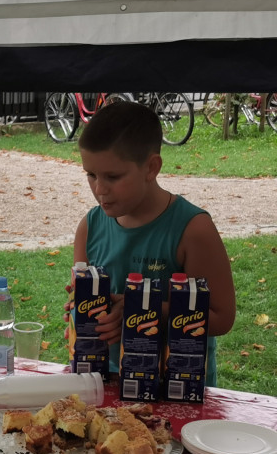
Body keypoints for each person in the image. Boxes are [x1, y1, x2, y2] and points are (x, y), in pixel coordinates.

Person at [71, 100, 235, 385]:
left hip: (176, 387)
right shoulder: (90, 226)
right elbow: (86, 301)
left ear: (151, 167)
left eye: (113, 176)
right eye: (91, 174)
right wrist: (81, 307)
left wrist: (145, 309)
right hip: (104, 381)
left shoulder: (192, 229)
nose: (99, 189)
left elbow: (221, 318)